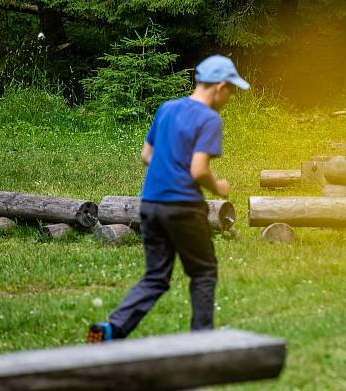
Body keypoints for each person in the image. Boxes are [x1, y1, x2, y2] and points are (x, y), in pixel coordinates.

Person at [86, 55, 249, 342]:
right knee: (203, 272)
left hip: (150, 204)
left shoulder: (167, 108)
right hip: (183, 207)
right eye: (232, 90)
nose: (230, 97)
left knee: (156, 277)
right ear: (220, 86)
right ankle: (201, 342)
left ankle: (112, 329)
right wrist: (219, 188)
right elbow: (199, 169)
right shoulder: (210, 119)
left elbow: (146, 155)